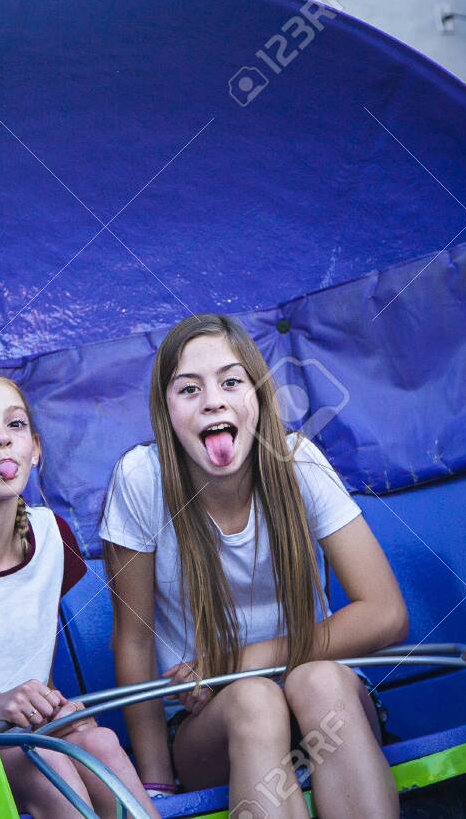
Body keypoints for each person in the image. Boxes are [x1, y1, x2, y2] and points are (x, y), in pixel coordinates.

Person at [101, 314, 407, 818]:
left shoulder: (297, 461)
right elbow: (132, 640)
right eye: (189, 389)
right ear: (165, 411)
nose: (213, 401)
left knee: (319, 681)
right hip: (211, 729)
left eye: (230, 382)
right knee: (254, 699)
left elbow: (386, 613)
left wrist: (236, 661)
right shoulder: (140, 480)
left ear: (259, 396)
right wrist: (155, 785)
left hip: (324, 715)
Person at [0, 370, 159, 819]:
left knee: (100, 741)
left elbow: (23, 658)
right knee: (48, 764)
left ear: (35, 449)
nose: (2, 439)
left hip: (25, 737)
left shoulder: (51, 536)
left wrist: (49, 704)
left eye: (15, 424)